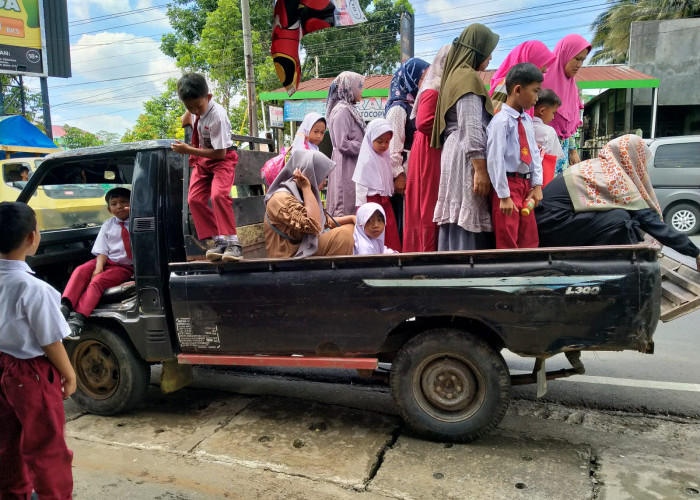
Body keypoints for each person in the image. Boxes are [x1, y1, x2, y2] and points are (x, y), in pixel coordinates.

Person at [0, 201, 76, 500]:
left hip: (3, 365)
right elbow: (51, 341)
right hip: (30, 372)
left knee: (6, 440)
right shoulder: (34, 289)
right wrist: (69, 375)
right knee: (47, 447)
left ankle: (11, 493)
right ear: (32, 238)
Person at [536, 134, 700, 270]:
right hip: (553, 226)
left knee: (623, 214)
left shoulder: (597, 167)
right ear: (632, 158)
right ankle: (609, 267)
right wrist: (695, 252)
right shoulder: (614, 177)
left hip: (548, 224)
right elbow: (649, 221)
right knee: (620, 218)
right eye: (641, 161)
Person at [431, 23, 500, 251]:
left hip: (456, 151)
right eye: (488, 50)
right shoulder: (467, 78)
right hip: (467, 156)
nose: (490, 57)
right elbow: (471, 126)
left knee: (457, 217)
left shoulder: (455, 75)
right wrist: (480, 169)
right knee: (467, 220)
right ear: (477, 49)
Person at [172, 73, 242, 262]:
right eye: (189, 107)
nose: (195, 111)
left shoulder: (216, 117)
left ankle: (234, 243)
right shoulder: (195, 111)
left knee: (219, 195)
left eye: (198, 106)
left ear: (209, 97)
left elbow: (220, 154)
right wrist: (190, 111)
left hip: (222, 160)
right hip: (204, 161)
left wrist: (189, 150)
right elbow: (185, 119)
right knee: (194, 199)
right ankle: (219, 240)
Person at [61, 187, 134, 336]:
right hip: (105, 260)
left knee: (97, 281)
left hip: (124, 267)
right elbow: (102, 250)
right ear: (109, 209)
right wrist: (98, 267)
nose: (119, 206)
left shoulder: (137, 222)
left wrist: (98, 273)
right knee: (80, 271)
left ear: (132, 203)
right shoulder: (108, 225)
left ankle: (78, 318)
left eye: (123, 202)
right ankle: (65, 307)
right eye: (114, 204)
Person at [486, 63, 544, 249]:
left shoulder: (526, 120)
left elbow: (534, 153)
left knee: (529, 237)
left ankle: (528, 276)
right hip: (508, 186)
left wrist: (537, 185)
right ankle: (508, 277)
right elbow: (495, 159)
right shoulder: (500, 122)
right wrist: (503, 195)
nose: (537, 98)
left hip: (525, 187)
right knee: (507, 238)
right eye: (535, 91)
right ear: (518, 89)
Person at [264, 149, 355, 258]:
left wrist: (352, 219)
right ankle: (330, 274)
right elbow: (314, 225)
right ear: (309, 174)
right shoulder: (281, 198)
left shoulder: (299, 193)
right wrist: (306, 188)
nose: (324, 182)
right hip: (289, 257)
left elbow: (324, 222)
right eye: (321, 177)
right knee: (343, 236)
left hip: (305, 248)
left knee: (351, 228)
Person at [403, 45, 451, 253]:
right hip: (430, 148)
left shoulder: (437, 84)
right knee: (427, 205)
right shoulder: (435, 86)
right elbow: (425, 122)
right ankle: (425, 253)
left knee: (425, 204)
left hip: (428, 147)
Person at [384, 57, 430, 241]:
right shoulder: (398, 108)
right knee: (404, 216)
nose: (425, 82)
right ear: (410, 78)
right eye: (422, 78)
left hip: (415, 171)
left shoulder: (414, 105)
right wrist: (398, 176)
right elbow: (392, 147)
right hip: (404, 173)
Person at [541, 34, 591, 175]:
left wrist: (573, 151)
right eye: (577, 58)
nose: (579, 65)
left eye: (583, 60)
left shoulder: (572, 88)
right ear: (564, 54)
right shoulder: (540, 82)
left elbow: (568, 126)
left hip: (560, 160)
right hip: (540, 157)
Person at [352, 118, 401, 252]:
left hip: (384, 204)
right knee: (372, 232)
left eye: (387, 142)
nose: (384, 145)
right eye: (379, 142)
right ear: (370, 139)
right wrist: (361, 209)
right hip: (370, 205)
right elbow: (361, 186)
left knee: (388, 232)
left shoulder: (385, 159)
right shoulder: (366, 160)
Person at [326, 71, 366, 217]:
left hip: (351, 164)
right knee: (345, 208)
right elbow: (342, 143)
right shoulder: (342, 111)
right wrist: (366, 147)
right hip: (345, 165)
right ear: (348, 87)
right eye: (359, 86)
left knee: (352, 206)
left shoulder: (348, 109)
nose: (361, 90)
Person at [488, 40, 554, 113]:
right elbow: (496, 119)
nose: (545, 70)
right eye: (543, 64)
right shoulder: (506, 86)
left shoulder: (525, 91)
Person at [532, 88, 565, 186]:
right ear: (542, 111)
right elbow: (553, 161)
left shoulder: (522, 126)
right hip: (541, 182)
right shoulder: (549, 132)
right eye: (553, 113)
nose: (553, 117)